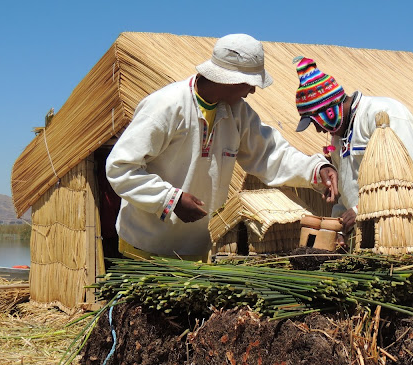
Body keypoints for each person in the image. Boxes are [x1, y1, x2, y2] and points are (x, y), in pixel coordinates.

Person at [106, 35, 338, 261]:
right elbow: (120, 168)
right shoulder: (166, 106)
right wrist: (170, 199)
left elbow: (270, 153)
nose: (253, 91)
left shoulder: (238, 114)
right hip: (146, 247)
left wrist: (315, 170)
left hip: (199, 248)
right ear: (228, 79)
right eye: (250, 83)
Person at [292, 57, 413, 250]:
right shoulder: (339, 140)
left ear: (328, 111)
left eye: (316, 123)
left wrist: (361, 210)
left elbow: (405, 177)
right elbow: (348, 195)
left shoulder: (384, 113)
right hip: (374, 237)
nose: (319, 131)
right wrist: (338, 226)